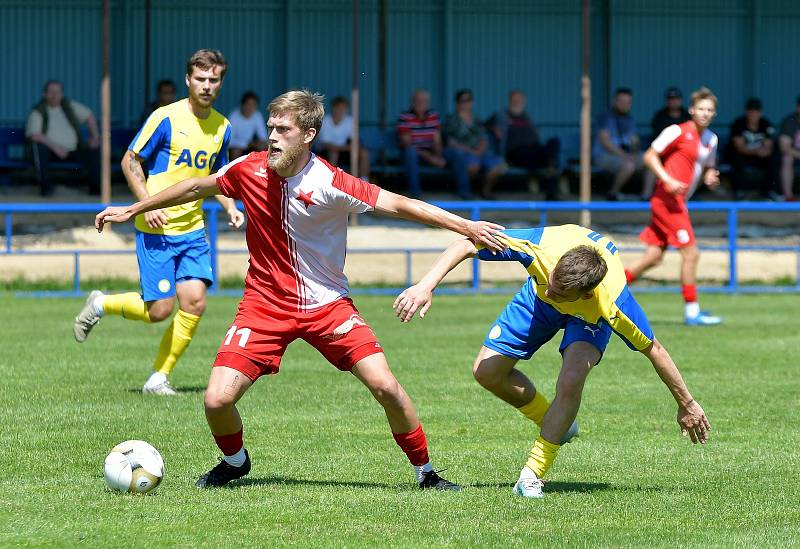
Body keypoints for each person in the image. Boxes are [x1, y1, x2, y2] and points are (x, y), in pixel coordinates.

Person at [94, 89, 506, 490]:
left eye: (283, 129)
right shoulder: (248, 169)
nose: (272, 136)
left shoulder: (331, 181)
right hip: (264, 306)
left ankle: (426, 473)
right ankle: (235, 463)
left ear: (308, 135)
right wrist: (135, 207)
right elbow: (198, 186)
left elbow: (402, 204)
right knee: (217, 400)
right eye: (271, 127)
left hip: (328, 306)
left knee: (387, 388)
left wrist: (466, 226)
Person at [393, 224, 711, 499]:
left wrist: (688, 403)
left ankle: (532, 474)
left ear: (585, 294)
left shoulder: (610, 304)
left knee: (571, 381)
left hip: (588, 320)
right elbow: (466, 244)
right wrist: (425, 285)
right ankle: (556, 420)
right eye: (553, 282)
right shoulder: (541, 252)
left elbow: (654, 350)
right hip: (536, 303)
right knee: (486, 372)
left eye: (560, 291)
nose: (551, 290)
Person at [72, 49, 244, 395]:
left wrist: (230, 206)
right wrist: (144, 203)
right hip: (158, 229)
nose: (207, 86)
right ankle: (101, 303)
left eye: (214, 80)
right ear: (188, 80)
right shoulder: (165, 118)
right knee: (160, 310)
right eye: (201, 79)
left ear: (221, 82)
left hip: (193, 229)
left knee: (195, 302)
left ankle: (158, 378)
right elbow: (130, 159)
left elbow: (216, 176)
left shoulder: (223, 126)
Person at [624, 87, 722, 326]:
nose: (705, 113)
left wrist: (710, 175)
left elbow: (707, 166)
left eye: (709, 110)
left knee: (653, 257)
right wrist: (667, 179)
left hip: (679, 202)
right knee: (691, 253)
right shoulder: (677, 131)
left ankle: (605, 289)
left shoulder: (711, 139)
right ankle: (692, 311)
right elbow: (649, 156)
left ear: (714, 114)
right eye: (701, 108)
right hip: (666, 202)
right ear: (691, 110)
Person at [25, 80, 101, 196]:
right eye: (51, 92)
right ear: (44, 94)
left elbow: (89, 115)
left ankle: (95, 190)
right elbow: (35, 135)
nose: (55, 95)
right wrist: (56, 148)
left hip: (73, 150)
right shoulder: (38, 111)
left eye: (58, 92)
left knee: (95, 150)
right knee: (39, 148)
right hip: (52, 152)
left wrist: (95, 137)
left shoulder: (69, 106)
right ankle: (46, 189)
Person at [486, 90, 561, 200]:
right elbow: (484, 124)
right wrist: (494, 129)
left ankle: (550, 167)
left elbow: (536, 134)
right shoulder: (501, 115)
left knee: (554, 142)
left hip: (535, 150)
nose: (517, 102)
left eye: (520, 100)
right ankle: (549, 173)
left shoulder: (527, 116)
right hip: (516, 153)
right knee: (546, 161)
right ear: (510, 101)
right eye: (515, 100)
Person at [443, 89, 507, 199]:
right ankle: (468, 191)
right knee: (473, 165)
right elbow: (451, 142)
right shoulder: (451, 119)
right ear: (457, 103)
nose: (466, 103)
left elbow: (484, 138)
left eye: (469, 100)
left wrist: (480, 151)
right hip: (464, 153)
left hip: (480, 153)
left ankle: (485, 191)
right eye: (463, 100)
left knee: (501, 165)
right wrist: (472, 152)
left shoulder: (476, 119)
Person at [593, 87, 644, 201]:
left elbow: (634, 140)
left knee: (650, 161)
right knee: (629, 165)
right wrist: (624, 155)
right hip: (604, 155)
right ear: (615, 101)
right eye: (621, 101)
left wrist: (634, 150)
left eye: (627, 102)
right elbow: (605, 142)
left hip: (625, 155)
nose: (624, 105)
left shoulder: (629, 119)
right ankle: (613, 194)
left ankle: (646, 196)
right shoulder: (606, 117)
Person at [642, 87, 691, 199]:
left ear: (680, 100)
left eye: (676, 98)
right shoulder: (660, 116)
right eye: (671, 99)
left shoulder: (687, 116)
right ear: (667, 101)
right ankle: (645, 196)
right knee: (651, 164)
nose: (674, 101)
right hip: (663, 154)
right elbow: (656, 143)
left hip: (682, 154)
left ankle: (690, 194)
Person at [396, 89, 447, 198]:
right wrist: (430, 157)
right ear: (412, 101)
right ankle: (415, 194)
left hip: (430, 152)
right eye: (418, 100)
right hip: (412, 154)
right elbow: (407, 144)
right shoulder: (405, 117)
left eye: (424, 100)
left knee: (456, 154)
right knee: (410, 153)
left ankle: (465, 193)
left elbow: (437, 140)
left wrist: (439, 156)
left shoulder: (433, 115)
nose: (421, 103)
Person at [727, 97, 777, 200]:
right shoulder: (738, 123)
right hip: (743, 155)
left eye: (756, 111)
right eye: (751, 111)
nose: (753, 114)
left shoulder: (765, 124)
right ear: (746, 112)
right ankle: (738, 191)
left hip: (758, 156)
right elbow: (739, 147)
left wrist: (764, 152)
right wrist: (756, 151)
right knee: (737, 158)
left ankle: (768, 192)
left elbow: (769, 145)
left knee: (773, 159)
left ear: (760, 112)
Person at [317, 96, 370, 179]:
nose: (340, 110)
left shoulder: (350, 121)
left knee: (364, 153)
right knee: (333, 152)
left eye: (343, 108)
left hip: (344, 152)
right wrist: (349, 148)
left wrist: (353, 147)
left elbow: (355, 141)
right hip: (325, 153)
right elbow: (327, 145)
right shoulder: (325, 121)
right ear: (333, 108)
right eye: (338, 107)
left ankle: (363, 182)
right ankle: (330, 182)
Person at [227, 91, 268, 159]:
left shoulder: (257, 115)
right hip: (236, 147)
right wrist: (247, 144)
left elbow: (263, 137)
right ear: (242, 105)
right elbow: (230, 141)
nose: (250, 107)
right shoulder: (233, 116)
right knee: (236, 150)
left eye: (253, 105)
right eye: (248, 104)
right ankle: (234, 169)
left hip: (251, 145)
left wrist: (257, 143)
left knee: (264, 146)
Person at [777, 96, 800, 202]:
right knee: (787, 158)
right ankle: (788, 196)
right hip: (794, 156)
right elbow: (784, 147)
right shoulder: (790, 121)